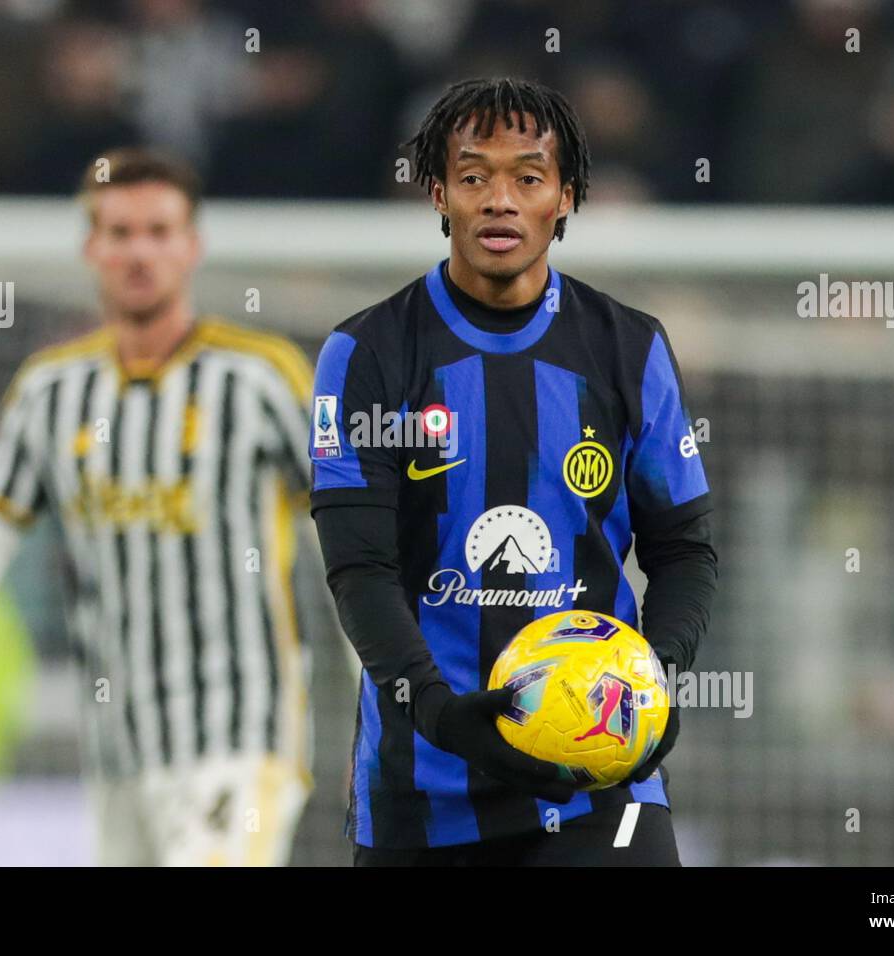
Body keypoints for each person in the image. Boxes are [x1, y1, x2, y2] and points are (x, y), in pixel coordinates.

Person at [0, 148, 317, 866]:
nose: (139, 252)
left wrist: (403, 674)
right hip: (118, 749)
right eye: (120, 232)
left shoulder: (260, 378)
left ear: (192, 246)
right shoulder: (50, 390)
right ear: (90, 247)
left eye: (159, 231)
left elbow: (350, 528)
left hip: (239, 739)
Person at [310, 77, 718, 865]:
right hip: (424, 785)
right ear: (439, 194)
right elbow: (360, 568)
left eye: (527, 177)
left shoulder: (630, 348)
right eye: (474, 177)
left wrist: (655, 681)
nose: (500, 200)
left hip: (603, 778)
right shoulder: (365, 354)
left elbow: (685, 552)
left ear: (564, 198)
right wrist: (437, 710)